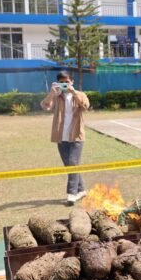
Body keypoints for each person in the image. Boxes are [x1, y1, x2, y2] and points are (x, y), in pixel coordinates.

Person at [40, 71, 91, 206]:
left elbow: (85, 106)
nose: (64, 84)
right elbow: (45, 106)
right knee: (69, 165)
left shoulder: (79, 94)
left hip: (76, 135)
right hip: (61, 136)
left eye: (67, 82)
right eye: (62, 82)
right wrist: (51, 93)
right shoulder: (57, 96)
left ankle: (71, 194)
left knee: (73, 162)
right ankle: (82, 190)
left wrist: (73, 92)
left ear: (72, 82)